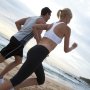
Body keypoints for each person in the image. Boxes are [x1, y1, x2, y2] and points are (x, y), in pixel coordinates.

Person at [0, 8, 78, 90]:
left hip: (35, 51)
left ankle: (14, 88)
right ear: (67, 16)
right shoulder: (67, 29)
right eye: (70, 18)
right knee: (16, 80)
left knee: (41, 79)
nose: (70, 20)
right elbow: (66, 50)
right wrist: (73, 47)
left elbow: (34, 27)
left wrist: (39, 42)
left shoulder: (52, 24)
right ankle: (10, 86)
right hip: (39, 53)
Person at [0, 7, 52, 84]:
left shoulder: (32, 17)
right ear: (47, 14)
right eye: (50, 15)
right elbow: (37, 36)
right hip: (19, 42)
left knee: (18, 61)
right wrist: (41, 47)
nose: (50, 17)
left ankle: (1, 76)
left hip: (17, 40)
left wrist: (21, 32)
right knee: (2, 57)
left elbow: (17, 22)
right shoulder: (42, 21)